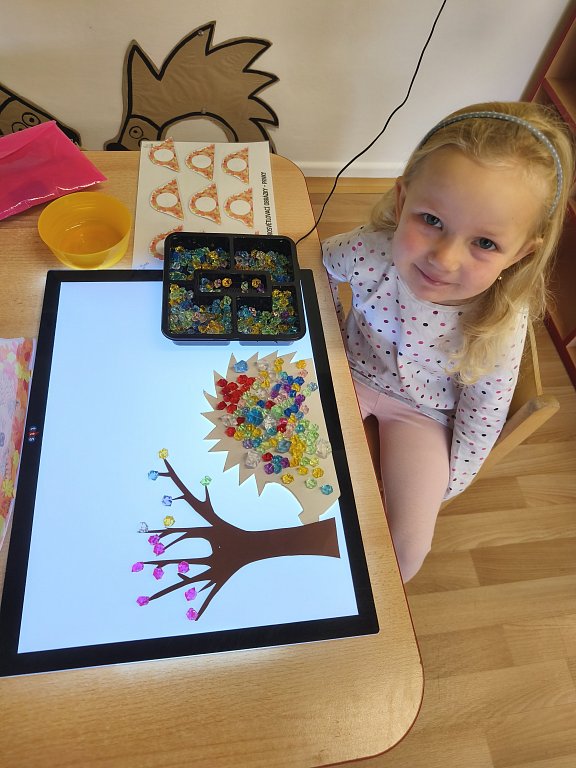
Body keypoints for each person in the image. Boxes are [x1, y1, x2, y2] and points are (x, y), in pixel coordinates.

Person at [322, 101, 575, 582]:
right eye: (432, 220)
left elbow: (483, 417)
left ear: (521, 254)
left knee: (405, 551)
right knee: (274, 469)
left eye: (485, 243)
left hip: (422, 416)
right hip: (346, 370)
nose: (444, 258)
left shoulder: (500, 321)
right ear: (402, 202)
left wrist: (439, 485)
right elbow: (319, 269)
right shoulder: (370, 248)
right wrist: (329, 334)